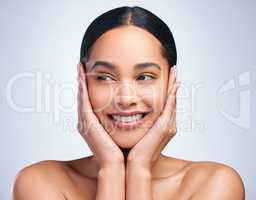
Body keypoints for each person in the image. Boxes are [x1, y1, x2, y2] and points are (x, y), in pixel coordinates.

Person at [12, 6, 245, 200]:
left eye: (144, 77)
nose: (125, 99)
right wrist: (111, 169)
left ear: (170, 83)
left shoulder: (215, 185)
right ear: (83, 81)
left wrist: (139, 169)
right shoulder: (40, 184)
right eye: (104, 77)